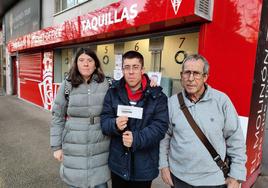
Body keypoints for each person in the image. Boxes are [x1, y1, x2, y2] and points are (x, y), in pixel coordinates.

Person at [159, 54, 247, 188]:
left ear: (205, 77)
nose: (190, 78)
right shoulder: (172, 103)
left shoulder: (221, 101)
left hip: (213, 180)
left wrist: (236, 174)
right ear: (181, 75)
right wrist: (163, 166)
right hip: (179, 178)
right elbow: (165, 137)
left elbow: (235, 139)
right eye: (187, 73)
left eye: (196, 73)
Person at [100, 50, 169, 188]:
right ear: (122, 69)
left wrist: (136, 139)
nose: (131, 72)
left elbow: (160, 127)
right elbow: (104, 121)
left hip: (144, 167)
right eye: (127, 67)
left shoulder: (158, 96)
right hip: (118, 165)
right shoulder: (112, 92)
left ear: (143, 69)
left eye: (135, 67)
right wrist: (114, 124)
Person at [50, 48, 110, 188]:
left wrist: (151, 82)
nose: (86, 64)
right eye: (81, 60)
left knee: (100, 183)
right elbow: (57, 116)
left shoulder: (106, 83)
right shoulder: (67, 85)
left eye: (90, 60)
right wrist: (56, 147)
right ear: (76, 63)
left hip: (100, 142)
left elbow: (129, 86)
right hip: (74, 142)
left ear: (96, 64)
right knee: (75, 183)